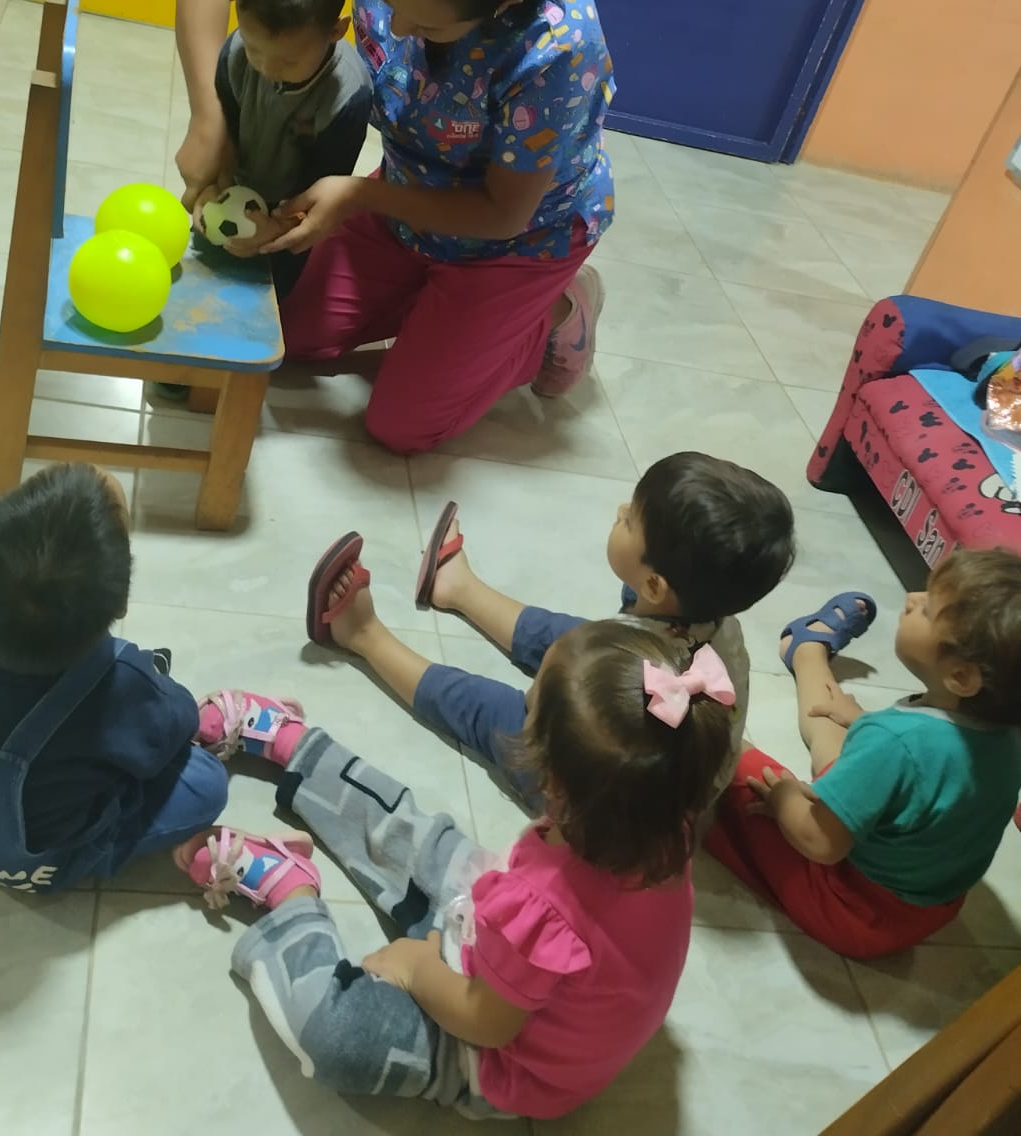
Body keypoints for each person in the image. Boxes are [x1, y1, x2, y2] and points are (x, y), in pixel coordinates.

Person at [172, 552, 735, 1120]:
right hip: (509, 957)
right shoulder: (657, 811)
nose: (520, 708)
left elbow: (485, 1023)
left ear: (552, 783)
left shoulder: (545, 906)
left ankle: (290, 891)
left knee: (337, 1039)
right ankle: (293, 743)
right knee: (427, 843)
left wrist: (417, 968)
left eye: (528, 706)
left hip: (498, 1060)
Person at [173, 0, 616, 455]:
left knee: (402, 425)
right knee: (280, 333)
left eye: (428, 27)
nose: (399, 29)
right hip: (407, 200)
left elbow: (502, 213)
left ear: (500, 7)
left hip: (519, 238)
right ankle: (440, 316)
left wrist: (358, 196)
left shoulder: (558, 45)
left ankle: (557, 312)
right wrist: (210, 119)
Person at [305, 453, 795, 811]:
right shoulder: (711, 618)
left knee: (491, 709)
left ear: (654, 584)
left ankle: (362, 633)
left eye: (630, 519)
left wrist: (561, 676)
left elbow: (542, 705)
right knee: (568, 636)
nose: (619, 510)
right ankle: (458, 588)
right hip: (659, 763)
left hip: (586, 800)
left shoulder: (625, 659)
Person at [0, 463, 234, 893]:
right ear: (118, 604)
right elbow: (181, 722)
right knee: (205, 783)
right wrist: (157, 689)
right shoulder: (121, 678)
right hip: (33, 859)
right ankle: (91, 857)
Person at [705, 548, 1021, 960]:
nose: (912, 598)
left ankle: (803, 656)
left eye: (928, 609)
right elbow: (930, 767)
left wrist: (783, 800)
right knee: (844, 729)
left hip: (849, 908)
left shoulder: (892, 743)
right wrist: (866, 726)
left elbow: (819, 841)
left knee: (725, 750)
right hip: (926, 911)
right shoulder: (1007, 731)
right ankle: (806, 650)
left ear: (961, 676)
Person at [187, 0, 371, 303]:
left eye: (288, 61)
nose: (267, 68)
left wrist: (276, 227)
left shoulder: (347, 98)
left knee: (270, 305)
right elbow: (225, 135)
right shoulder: (236, 56)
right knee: (198, 290)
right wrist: (212, 191)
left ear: (335, 31)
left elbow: (323, 191)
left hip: (289, 217)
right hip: (235, 195)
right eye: (255, 49)